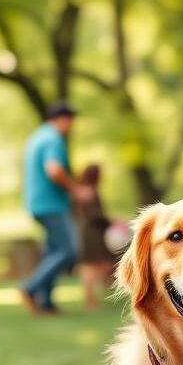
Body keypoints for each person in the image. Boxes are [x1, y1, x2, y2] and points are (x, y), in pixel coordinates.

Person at [20, 101, 84, 315]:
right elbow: (54, 170)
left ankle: (46, 303)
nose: (71, 125)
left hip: (37, 203)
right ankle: (30, 289)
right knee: (69, 250)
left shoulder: (38, 136)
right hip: (51, 205)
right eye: (70, 120)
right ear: (62, 119)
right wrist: (75, 189)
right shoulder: (53, 138)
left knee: (53, 252)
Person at [73, 163, 117, 311]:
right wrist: (111, 221)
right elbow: (94, 215)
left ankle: (92, 299)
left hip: (90, 232)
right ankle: (89, 300)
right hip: (93, 234)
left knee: (96, 265)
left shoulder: (83, 190)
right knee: (91, 266)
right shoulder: (89, 191)